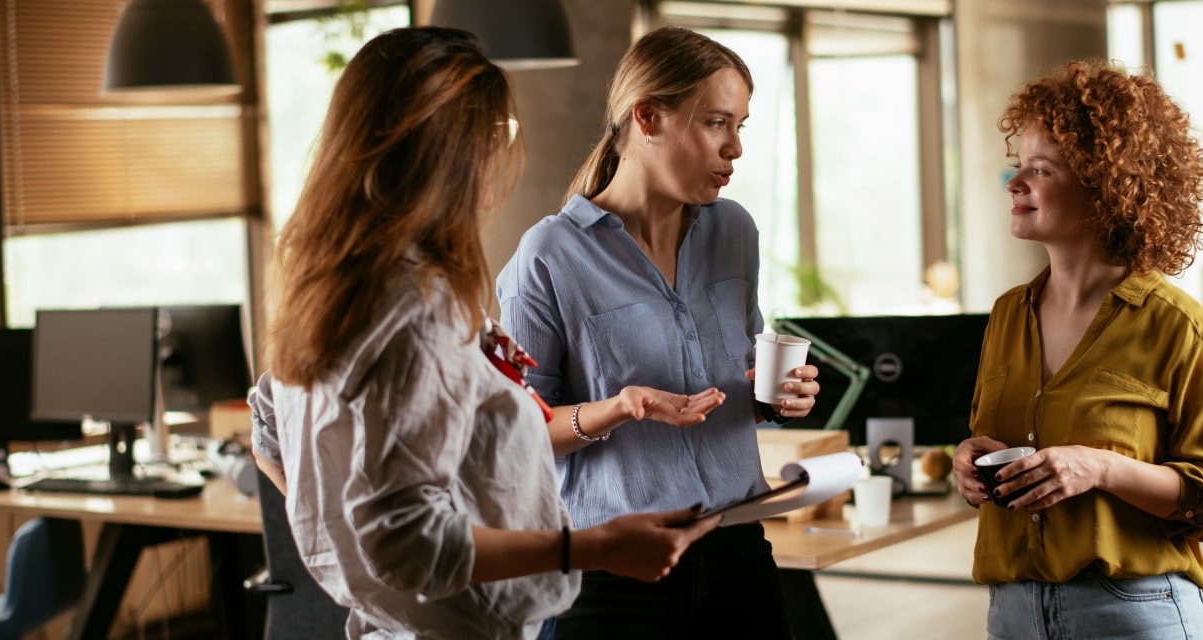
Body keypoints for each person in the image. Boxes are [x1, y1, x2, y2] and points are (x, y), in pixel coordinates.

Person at [246, 27, 719, 640]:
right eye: (498, 135)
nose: (501, 155)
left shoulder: (335, 286)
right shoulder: (416, 309)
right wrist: (591, 547)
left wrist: (347, 552)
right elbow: (408, 541)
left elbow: (269, 431)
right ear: (450, 150)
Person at [495, 26, 820, 639]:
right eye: (716, 123)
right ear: (648, 117)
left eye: (741, 126)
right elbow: (516, 437)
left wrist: (777, 397)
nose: (735, 149)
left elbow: (738, 380)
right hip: (613, 573)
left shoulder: (735, 234)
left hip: (738, 554)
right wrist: (617, 409)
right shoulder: (550, 256)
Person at [951, 59, 1203, 639]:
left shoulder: (1181, 328)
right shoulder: (1007, 315)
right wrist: (971, 459)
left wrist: (1100, 467)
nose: (1015, 185)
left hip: (1136, 611)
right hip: (1012, 612)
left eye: (1040, 170)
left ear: (1107, 185)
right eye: (1017, 168)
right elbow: (1002, 443)